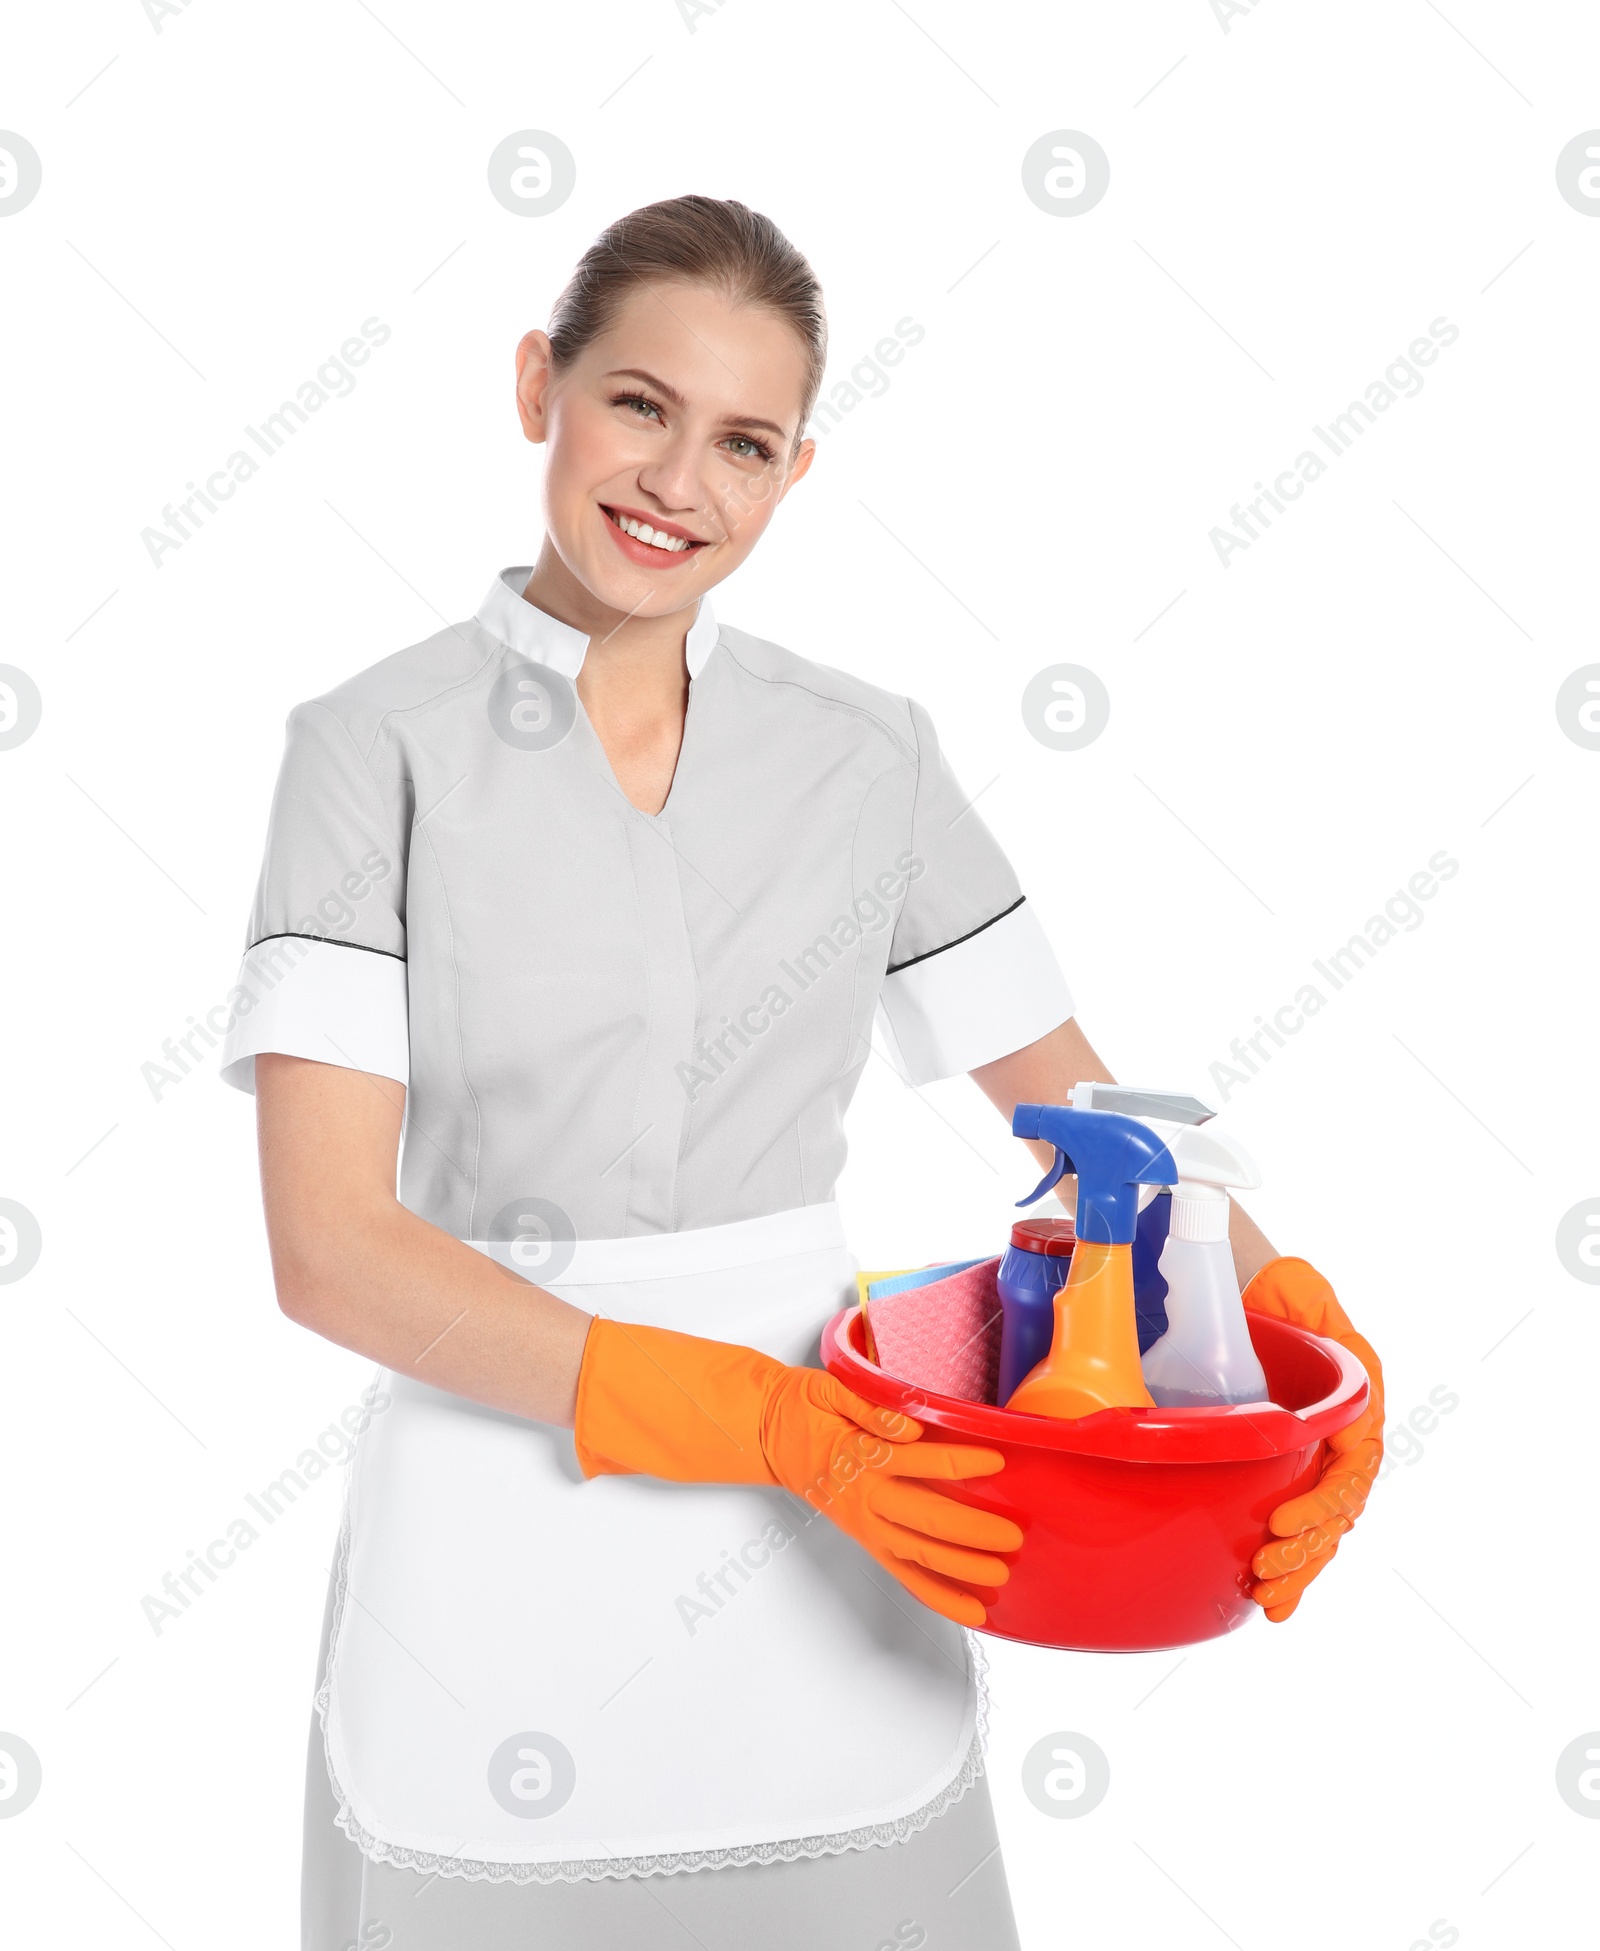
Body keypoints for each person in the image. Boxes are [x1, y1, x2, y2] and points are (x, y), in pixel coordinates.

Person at [222, 195, 1385, 1951]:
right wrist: (761, 1424)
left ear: (794, 474)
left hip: (842, 1559)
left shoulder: (866, 757)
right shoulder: (369, 752)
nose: (678, 480)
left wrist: (1295, 1343)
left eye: (743, 442)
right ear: (539, 385)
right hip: (503, 1575)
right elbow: (331, 1254)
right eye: (638, 405)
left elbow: (1087, 1137)